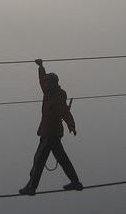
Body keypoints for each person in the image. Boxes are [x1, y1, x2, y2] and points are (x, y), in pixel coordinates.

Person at [19, 59, 83, 195]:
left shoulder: (57, 97)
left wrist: (71, 124)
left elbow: (65, 112)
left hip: (49, 134)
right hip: (50, 133)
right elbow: (42, 81)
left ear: (54, 84)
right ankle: (75, 182)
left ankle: (31, 187)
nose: (46, 84)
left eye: (49, 82)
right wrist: (41, 67)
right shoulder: (48, 93)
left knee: (39, 160)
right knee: (61, 159)